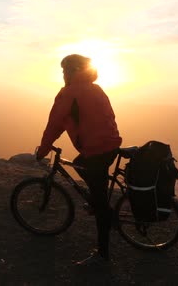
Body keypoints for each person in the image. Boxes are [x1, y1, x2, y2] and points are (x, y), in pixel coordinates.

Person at [36, 54, 122, 263]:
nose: (63, 74)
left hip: (96, 151)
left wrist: (42, 150)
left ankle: (102, 253)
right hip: (110, 145)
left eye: (65, 70)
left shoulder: (68, 93)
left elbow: (54, 124)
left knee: (101, 204)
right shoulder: (97, 88)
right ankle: (97, 202)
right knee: (80, 164)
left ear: (74, 71)